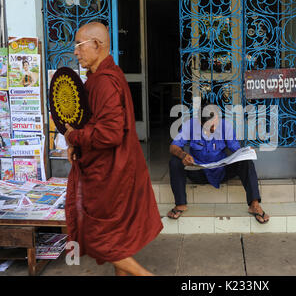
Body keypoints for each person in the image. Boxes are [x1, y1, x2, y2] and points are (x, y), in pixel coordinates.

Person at [63, 22, 162, 276]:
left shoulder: (104, 82)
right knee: (117, 238)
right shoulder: (102, 77)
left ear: (97, 45)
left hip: (111, 172)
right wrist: (77, 142)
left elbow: (110, 133)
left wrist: (74, 135)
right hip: (116, 167)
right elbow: (96, 122)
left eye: (79, 45)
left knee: (100, 239)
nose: (75, 52)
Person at [168, 102, 269, 224]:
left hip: (221, 172)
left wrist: (244, 152)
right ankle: (180, 204)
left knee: (245, 161)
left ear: (217, 118)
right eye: (208, 127)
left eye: (214, 125)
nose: (213, 129)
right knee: (175, 161)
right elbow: (173, 147)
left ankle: (254, 204)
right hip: (199, 172)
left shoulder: (225, 126)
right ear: (199, 122)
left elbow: (235, 148)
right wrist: (183, 155)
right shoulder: (190, 125)